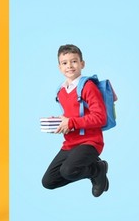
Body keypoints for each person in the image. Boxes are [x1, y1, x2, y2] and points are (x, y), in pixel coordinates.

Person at [41, 44, 110, 198]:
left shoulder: (88, 86)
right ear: (59, 67)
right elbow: (70, 115)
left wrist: (71, 123)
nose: (69, 66)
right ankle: (94, 169)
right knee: (49, 182)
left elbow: (100, 117)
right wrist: (60, 123)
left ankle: (97, 170)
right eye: (64, 63)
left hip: (90, 142)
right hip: (70, 143)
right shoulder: (61, 90)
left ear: (82, 64)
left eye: (74, 61)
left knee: (68, 171)